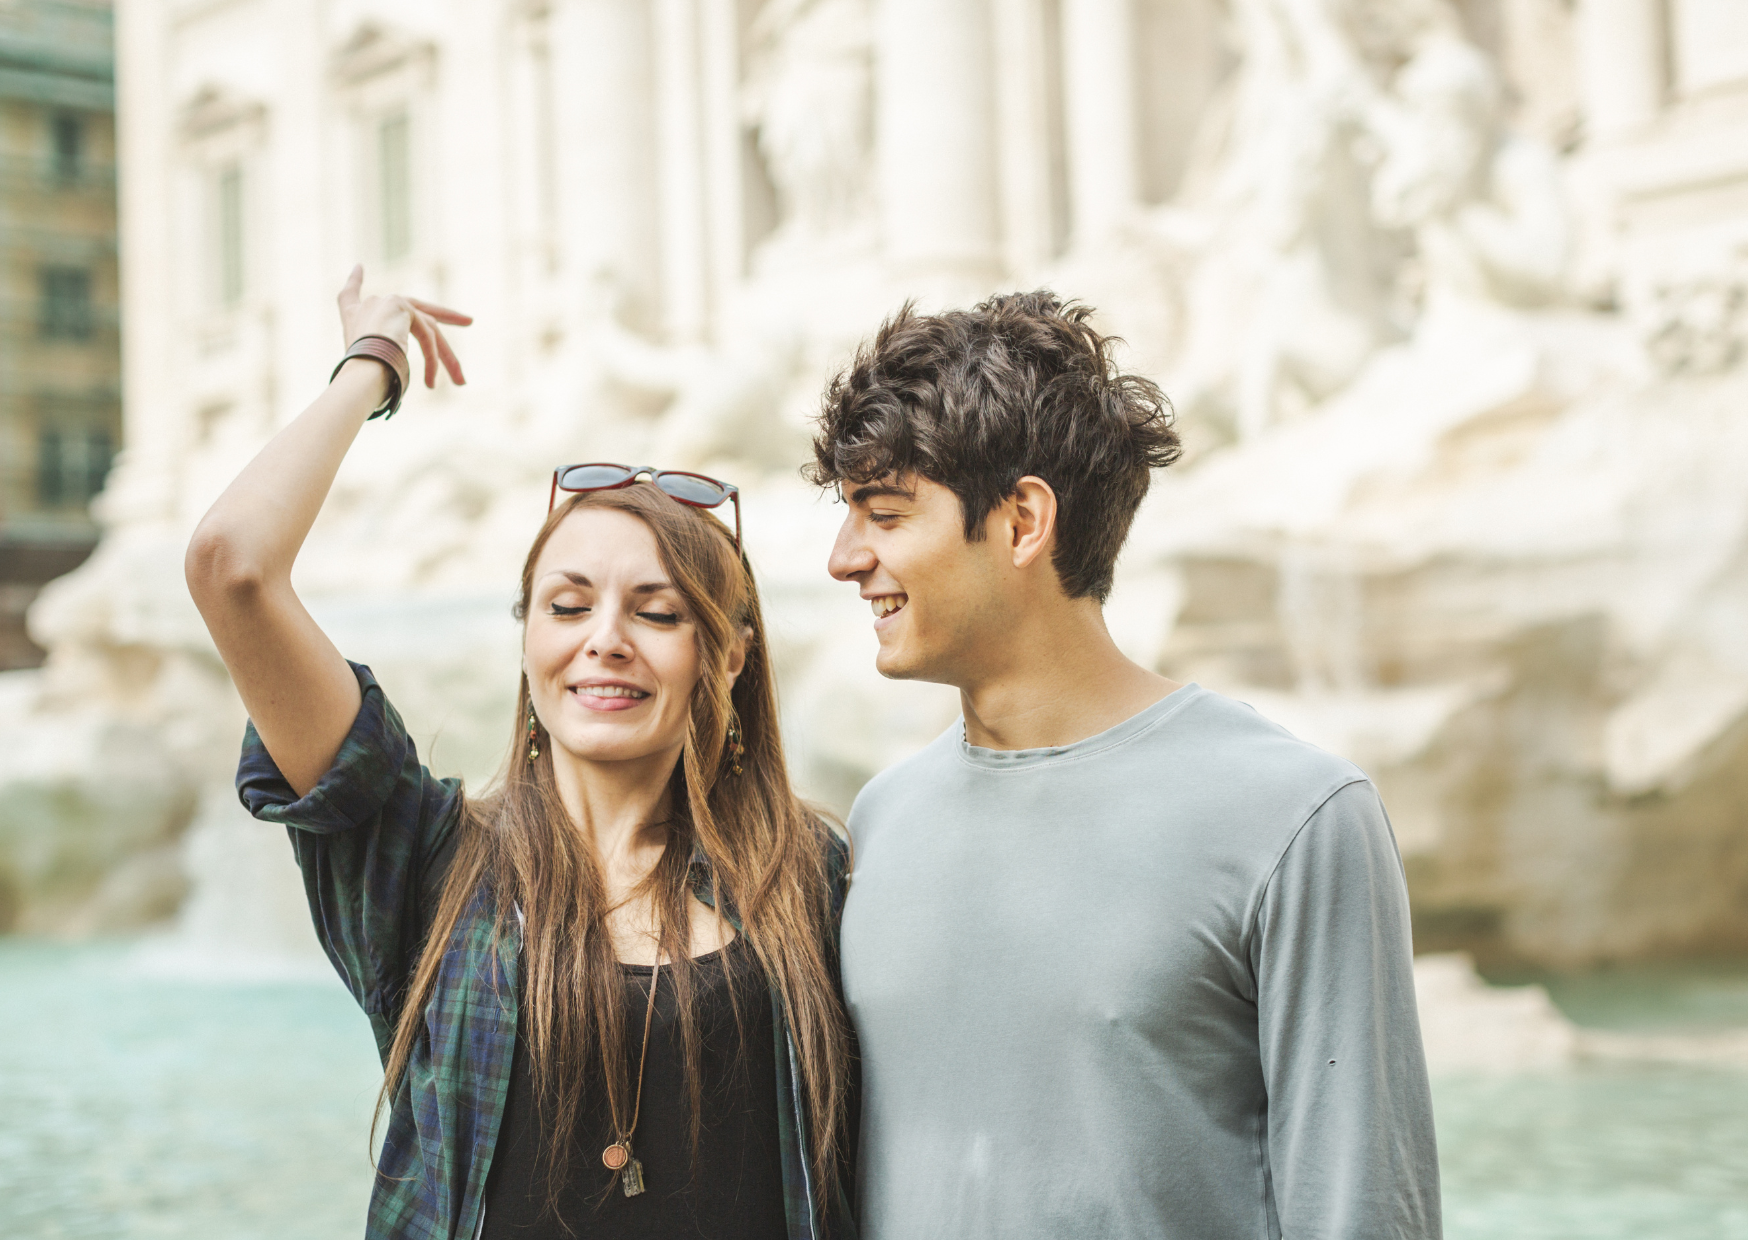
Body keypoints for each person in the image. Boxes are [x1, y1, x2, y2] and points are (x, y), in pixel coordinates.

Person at [185, 267, 855, 1240]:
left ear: (727, 651)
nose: (604, 638)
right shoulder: (421, 858)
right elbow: (230, 565)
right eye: (569, 604)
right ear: (527, 639)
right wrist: (372, 363)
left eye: (657, 610)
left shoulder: (811, 873)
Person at [808, 291, 1441, 1239]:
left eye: (886, 514)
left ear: (1023, 521)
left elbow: (1361, 1212)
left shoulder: (1297, 818)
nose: (843, 558)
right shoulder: (880, 820)